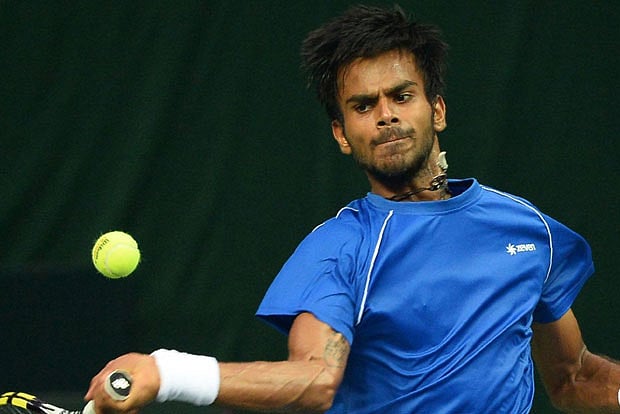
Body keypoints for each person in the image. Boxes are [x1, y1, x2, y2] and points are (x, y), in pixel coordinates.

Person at [85, 4, 620, 413]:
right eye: (364, 106)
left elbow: (574, 377)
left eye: (401, 96)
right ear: (342, 134)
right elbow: (316, 378)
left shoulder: (527, 229)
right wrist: (167, 373)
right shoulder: (339, 248)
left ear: (437, 109)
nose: (385, 116)